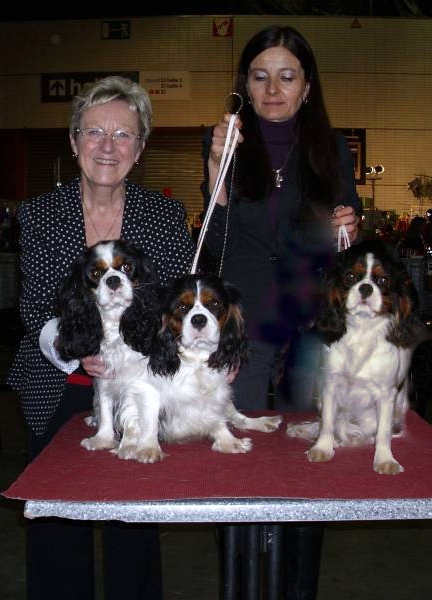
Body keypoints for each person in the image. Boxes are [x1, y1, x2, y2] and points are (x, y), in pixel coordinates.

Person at [7, 75, 195, 600]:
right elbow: (37, 304)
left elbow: (176, 298)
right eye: (94, 132)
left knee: (133, 519)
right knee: (58, 521)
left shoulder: (160, 214)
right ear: (73, 142)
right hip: (61, 382)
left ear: (140, 149)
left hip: (138, 384)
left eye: (124, 135)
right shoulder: (41, 213)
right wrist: (76, 351)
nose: (108, 146)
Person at [200, 25, 361, 599]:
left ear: (307, 88)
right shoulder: (223, 142)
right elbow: (215, 244)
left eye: (286, 77)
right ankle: (239, 582)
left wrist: (348, 227)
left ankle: (297, 588)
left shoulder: (332, 148)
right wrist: (217, 176)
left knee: (309, 463)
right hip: (242, 328)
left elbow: (348, 235)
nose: (273, 89)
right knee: (231, 456)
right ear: (243, 86)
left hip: (309, 329)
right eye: (260, 76)